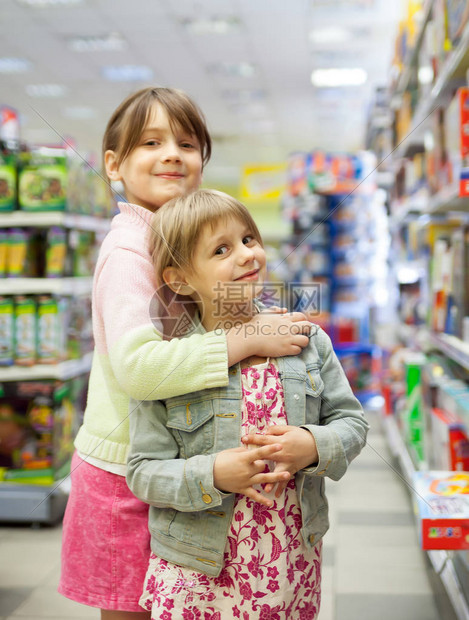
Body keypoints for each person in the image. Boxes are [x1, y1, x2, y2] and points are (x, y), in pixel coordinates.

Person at [58, 87, 313, 620]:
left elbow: (215, 312)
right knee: (131, 611)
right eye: (151, 142)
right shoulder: (129, 252)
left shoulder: (177, 236)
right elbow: (140, 369)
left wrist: (263, 320)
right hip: (122, 473)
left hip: (177, 466)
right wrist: (247, 340)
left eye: (187, 142)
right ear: (114, 164)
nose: (172, 153)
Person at [126, 189, 370, 619]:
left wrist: (313, 444)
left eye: (248, 239)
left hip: (288, 563)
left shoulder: (304, 341)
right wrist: (214, 473)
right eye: (221, 249)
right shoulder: (173, 362)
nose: (246, 254)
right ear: (180, 278)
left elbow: (352, 422)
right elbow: (143, 471)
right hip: (196, 567)